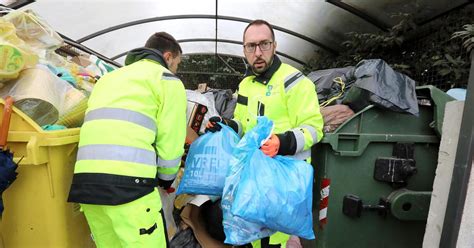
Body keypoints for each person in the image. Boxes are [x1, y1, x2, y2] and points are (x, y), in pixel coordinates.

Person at [206, 19, 323, 247]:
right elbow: (243, 124)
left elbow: (313, 128)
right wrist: (226, 124)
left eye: (264, 44)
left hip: (282, 184)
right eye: (251, 46)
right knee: (249, 237)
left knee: (273, 241)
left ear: (274, 46)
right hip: (253, 180)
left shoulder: (295, 83)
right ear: (244, 50)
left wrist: (283, 142)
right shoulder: (246, 85)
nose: (258, 52)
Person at [68, 32, 186, 248]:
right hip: (129, 189)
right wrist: (167, 181)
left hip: (86, 186)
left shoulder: (108, 79)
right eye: (176, 63)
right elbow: (170, 145)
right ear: (168, 57)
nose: (175, 69)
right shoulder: (166, 79)